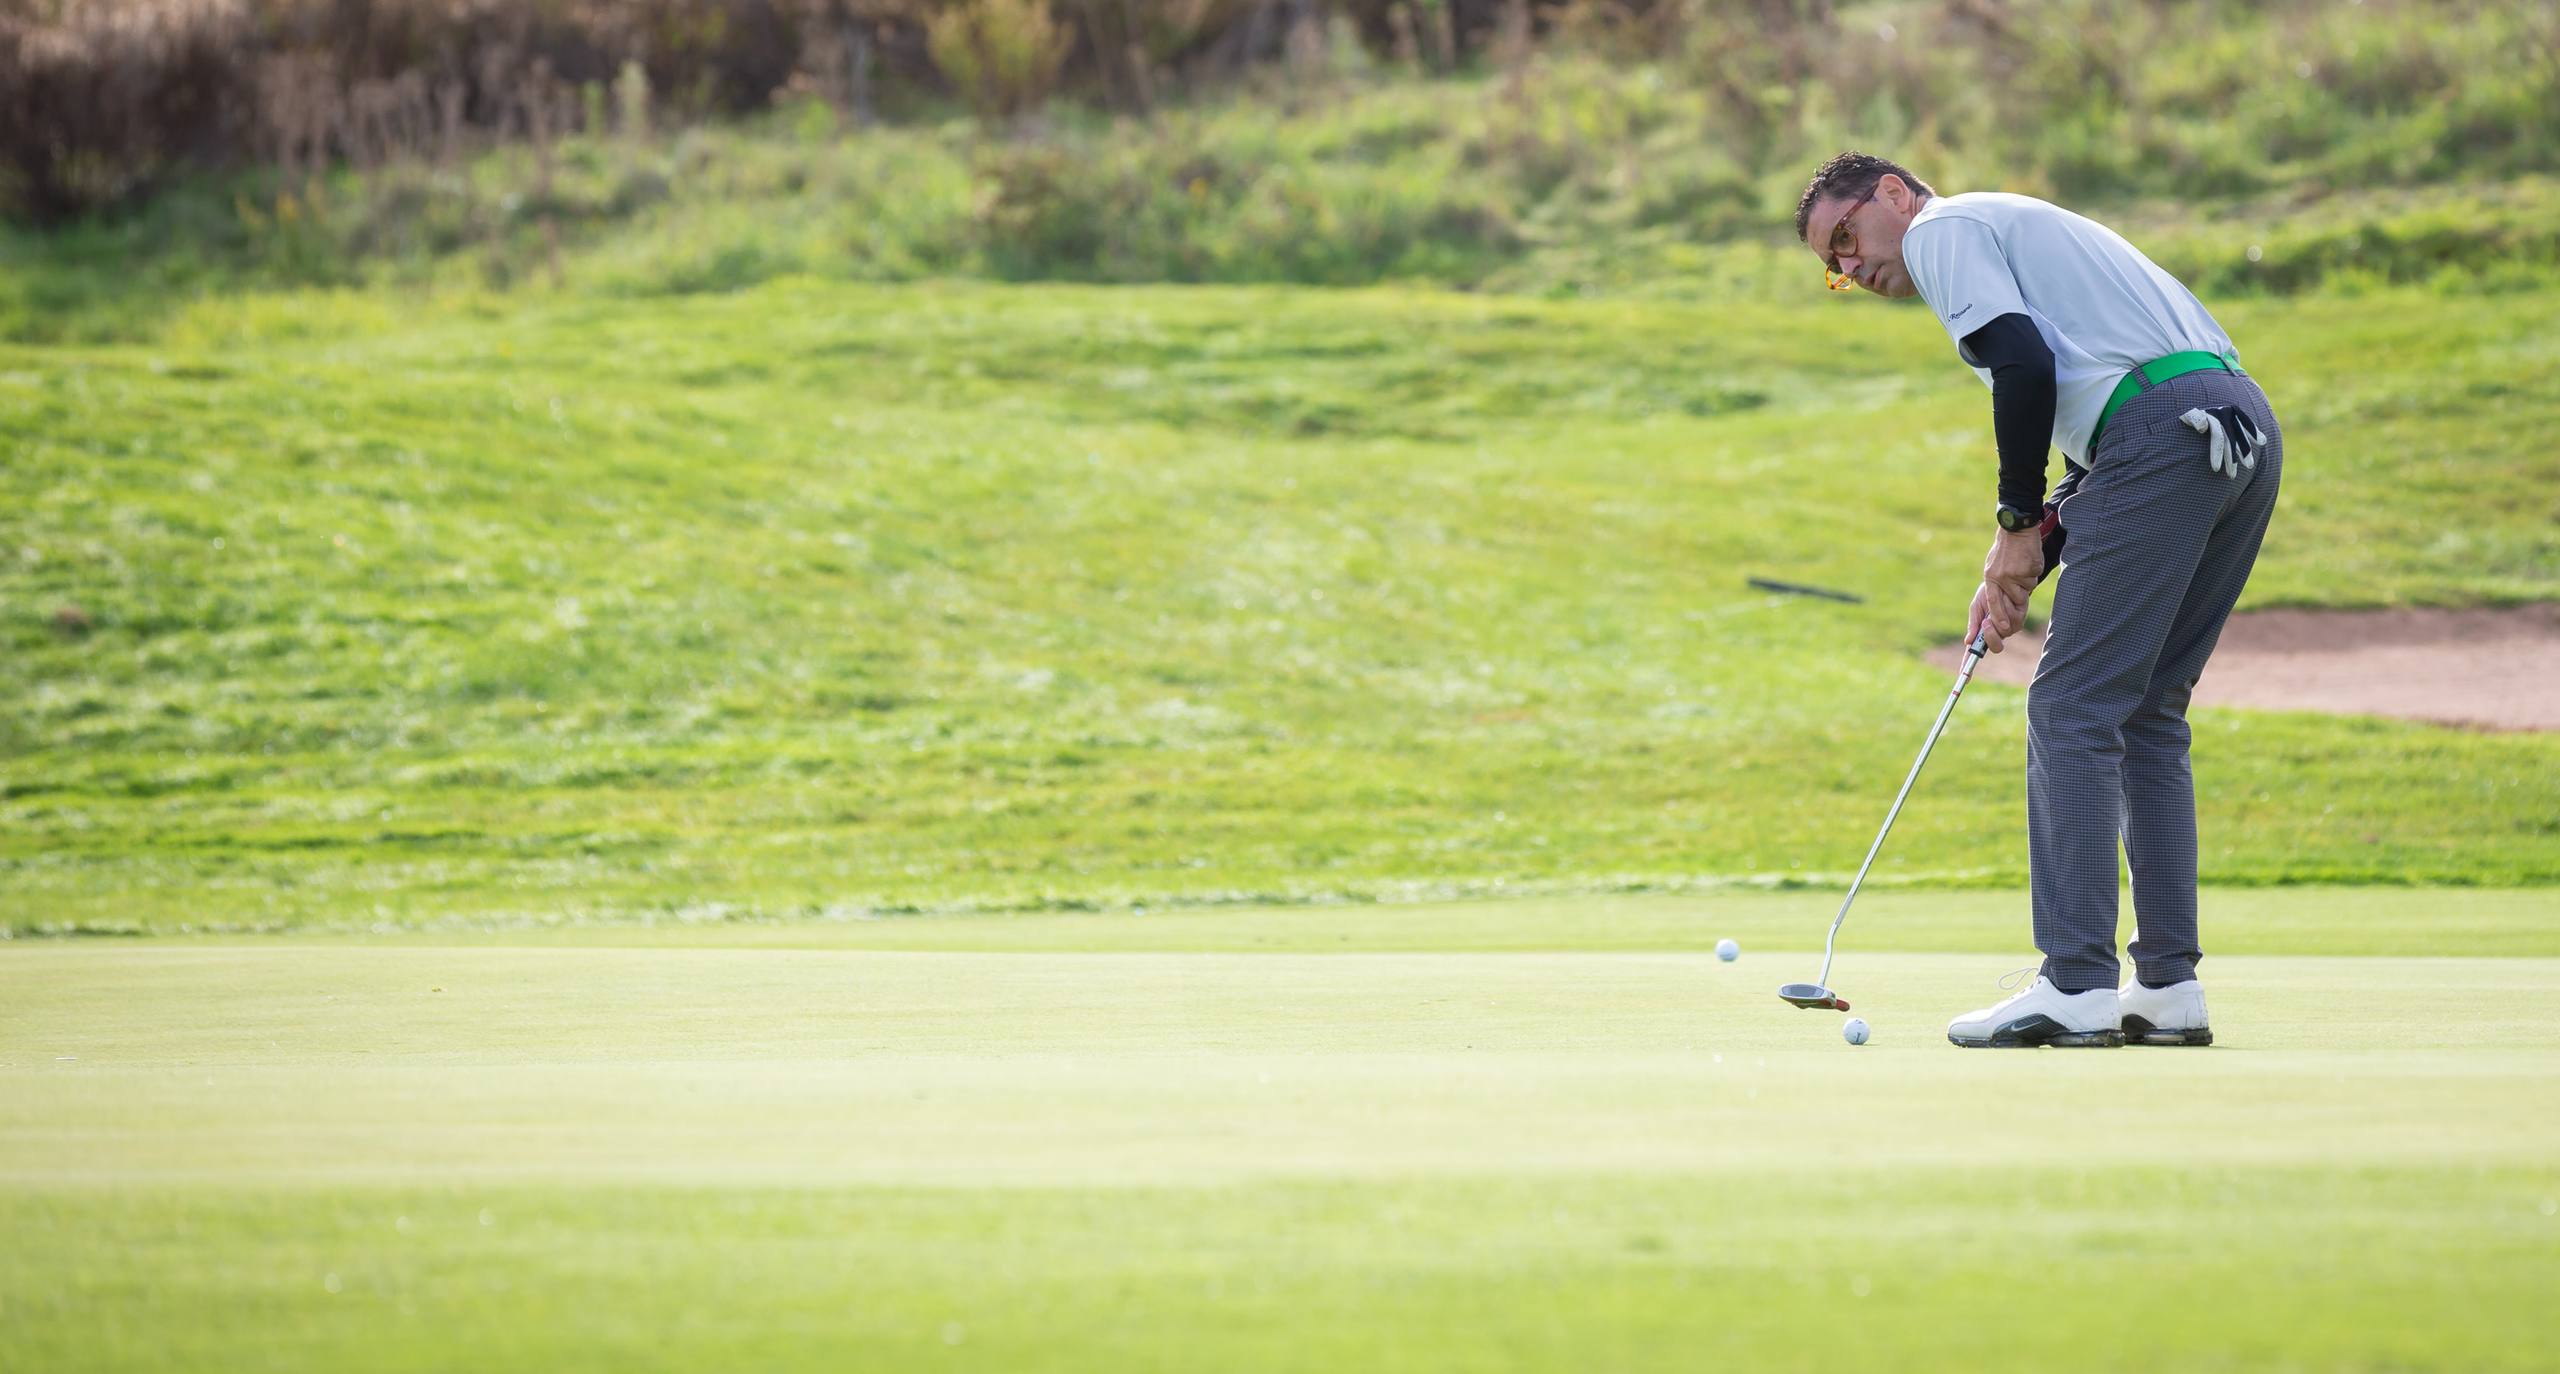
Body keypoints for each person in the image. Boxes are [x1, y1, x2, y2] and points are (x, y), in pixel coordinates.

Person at [1793, 151, 2281, 1048]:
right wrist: (2026, 548)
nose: (1852, 268)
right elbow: (2098, 406)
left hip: (2160, 433)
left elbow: (2023, 367)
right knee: (2147, 715)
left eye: (1849, 237)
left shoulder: (1942, 232)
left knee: (2070, 706)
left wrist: (2017, 519)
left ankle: (2077, 985)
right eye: (1835, 266)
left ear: (1894, 194)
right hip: (2235, 424)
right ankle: (2168, 990)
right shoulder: (2009, 225)